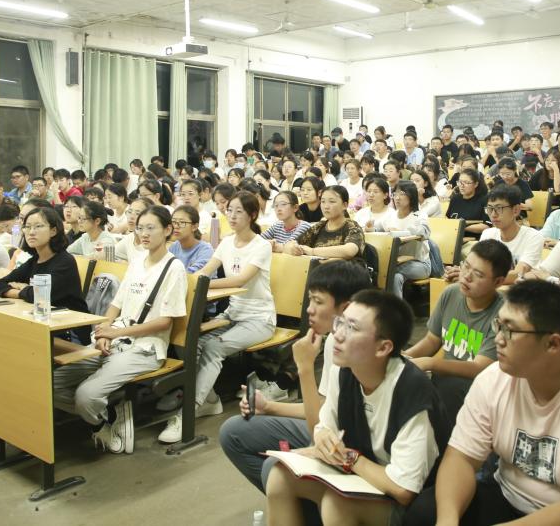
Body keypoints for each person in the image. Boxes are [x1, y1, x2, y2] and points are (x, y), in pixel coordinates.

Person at [406, 279, 560, 526]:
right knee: (425, 513)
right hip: (510, 498)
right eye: (498, 325)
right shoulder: (494, 379)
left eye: (510, 331)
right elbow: (461, 458)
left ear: (553, 343)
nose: (497, 339)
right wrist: (447, 520)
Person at [265, 290, 446, 526]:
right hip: (363, 477)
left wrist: (348, 458)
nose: (337, 334)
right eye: (340, 323)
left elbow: (403, 490)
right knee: (279, 476)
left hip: (412, 503)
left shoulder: (413, 392)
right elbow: (324, 426)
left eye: (351, 328)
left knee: (337, 504)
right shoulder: (345, 369)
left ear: (383, 348)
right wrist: (323, 438)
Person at [218, 261, 372, 485]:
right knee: (233, 431)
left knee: (277, 468)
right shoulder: (334, 340)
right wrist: (269, 407)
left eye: (318, 301)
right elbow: (324, 407)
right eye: (310, 299)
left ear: (346, 308)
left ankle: (302, 497)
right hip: (330, 430)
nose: (309, 309)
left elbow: (318, 427)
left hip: (351, 445)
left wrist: (305, 368)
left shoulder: (361, 349)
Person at [53, 205, 187, 454]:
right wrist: (104, 330)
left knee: (86, 396)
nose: (144, 233)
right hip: (117, 340)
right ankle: (108, 415)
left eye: (151, 228)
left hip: (146, 348)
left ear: (168, 230)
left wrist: (116, 333)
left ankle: (102, 415)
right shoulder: (137, 261)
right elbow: (116, 304)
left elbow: (164, 322)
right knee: (49, 384)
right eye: (140, 228)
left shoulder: (174, 268)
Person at [164, 192, 276, 434]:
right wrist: (190, 280)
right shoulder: (226, 243)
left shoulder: (261, 246)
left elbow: (240, 280)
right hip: (233, 314)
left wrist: (201, 284)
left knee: (213, 347)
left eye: (238, 211)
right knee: (190, 341)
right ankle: (210, 398)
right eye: (230, 210)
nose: (232, 216)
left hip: (259, 319)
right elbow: (205, 271)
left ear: (252, 215)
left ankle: (189, 411)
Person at [407, 240, 511, 426]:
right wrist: (403, 358)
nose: (466, 277)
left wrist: (430, 363)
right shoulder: (451, 293)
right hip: (445, 381)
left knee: (446, 387)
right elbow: (432, 340)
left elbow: (479, 367)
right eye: (466, 266)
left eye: (478, 274)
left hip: (480, 391)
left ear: (498, 282)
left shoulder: (504, 314)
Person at [0, 205, 89, 318]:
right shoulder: (34, 261)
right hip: (43, 318)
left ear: (53, 231)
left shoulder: (65, 261)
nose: (31, 232)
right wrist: (24, 291)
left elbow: (39, 296)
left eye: (38, 226)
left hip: (71, 323)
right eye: (27, 227)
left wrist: (22, 288)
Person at [473, 185, 543, 282]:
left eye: (499, 208)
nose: (493, 214)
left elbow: (518, 274)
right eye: (490, 208)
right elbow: (476, 266)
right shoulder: (488, 234)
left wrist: (480, 276)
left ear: (515, 210)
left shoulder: (533, 237)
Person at [374, 181, 431, 297]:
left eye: (402, 194)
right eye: (395, 194)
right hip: (397, 262)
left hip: (419, 263)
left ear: (412, 195)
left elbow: (424, 232)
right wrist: (370, 228)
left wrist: (398, 232)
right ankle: (396, 308)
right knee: (395, 277)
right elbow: (377, 228)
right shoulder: (391, 215)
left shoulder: (419, 215)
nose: (397, 198)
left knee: (386, 271)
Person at [284, 186, 365, 260]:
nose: (326, 206)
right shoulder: (319, 227)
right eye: (323, 201)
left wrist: (313, 251)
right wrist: (293, 248)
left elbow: (349, 251)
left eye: (332, 202)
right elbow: (291, 244)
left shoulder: (352, 226)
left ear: (345, 205)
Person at [168, 205, 213, 273]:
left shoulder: (206, 250)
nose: (176, 226)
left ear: (194, 227)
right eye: (174, 222)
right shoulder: (174, 247)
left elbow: (195, 275)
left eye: (182, 222)